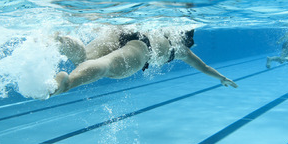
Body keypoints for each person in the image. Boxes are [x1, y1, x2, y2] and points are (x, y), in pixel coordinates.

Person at [51, 28, 238, 96]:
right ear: (188, 40)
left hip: (121, 30)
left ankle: (59, 41)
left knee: (83, 58)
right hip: (142, 47)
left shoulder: (160, 28)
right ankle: (69, 83)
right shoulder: (182, 50)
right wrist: (222, 78)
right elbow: (204, 67)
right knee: (107, 66)